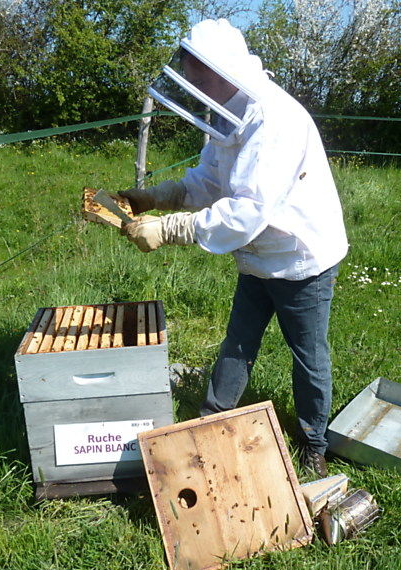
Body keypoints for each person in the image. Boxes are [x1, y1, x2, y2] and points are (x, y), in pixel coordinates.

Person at [118, 19, 348, 478]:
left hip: (300, 257)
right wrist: (158, 197)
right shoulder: (230, 110)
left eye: (196, 74)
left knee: (308, 355)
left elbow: (247, 210)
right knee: (239, 340)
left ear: (221, 70)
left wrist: (170, 229)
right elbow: (212, 180)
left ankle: (314, 443)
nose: (191, 84)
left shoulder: (275, 120)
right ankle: (209, 420)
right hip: (258, 253)